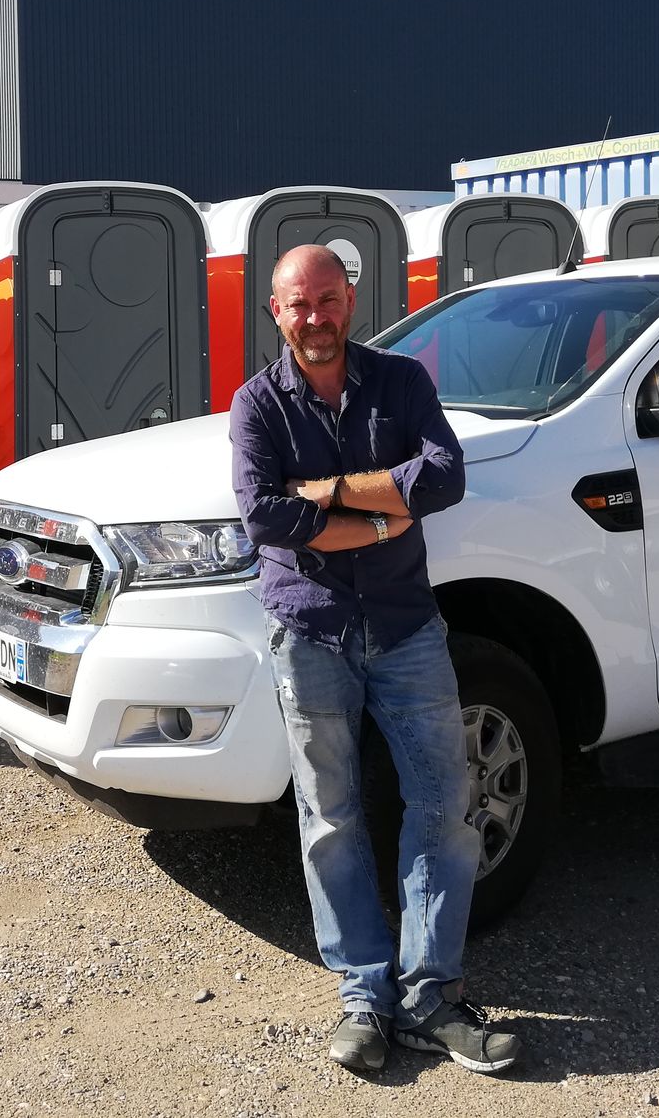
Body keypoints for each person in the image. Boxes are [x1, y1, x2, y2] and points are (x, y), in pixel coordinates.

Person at [228, 243, 522, 1077]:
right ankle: (364, 995)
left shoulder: (401, 382)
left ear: (349, 299)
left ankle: (430, 997)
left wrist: (329, 493)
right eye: (298, 304)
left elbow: (444, 476)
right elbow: (263, 516)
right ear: (274, 313)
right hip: (309, 630)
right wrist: (385, 513)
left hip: (404, 627)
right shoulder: (257, 405)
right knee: (330, 817)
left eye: (327, 299)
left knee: (443, 803)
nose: (315, 318)